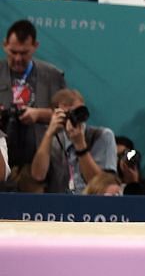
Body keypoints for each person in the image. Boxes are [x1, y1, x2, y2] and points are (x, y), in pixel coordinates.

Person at [27, 87, 117, 195]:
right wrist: (49, 134)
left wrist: (80, 145)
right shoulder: (52, 141)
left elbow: (103, 186)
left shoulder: (102, 136)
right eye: (68, 113)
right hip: (60, 206)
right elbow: (38, 175)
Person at [5, 19, 67, 167]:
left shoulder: (53, 76)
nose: (18, 58)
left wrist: (38, 114)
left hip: (43, 163)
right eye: (13, 52)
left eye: (24, 53)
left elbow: (68, 116)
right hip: (4, 160)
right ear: (4, 45)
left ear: (35, 46)